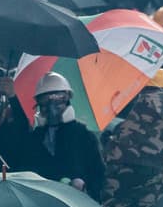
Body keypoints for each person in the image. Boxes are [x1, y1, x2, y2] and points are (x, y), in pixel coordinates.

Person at [27, 72, 105, 200]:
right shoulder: (34, 139)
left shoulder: (84, 136)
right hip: (44, 201)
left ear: (67, 99)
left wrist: (85, 187)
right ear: (39, 105)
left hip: (78, 203)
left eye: (58, 99)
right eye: (45, 101)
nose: (52, 107)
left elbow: (99, 175)